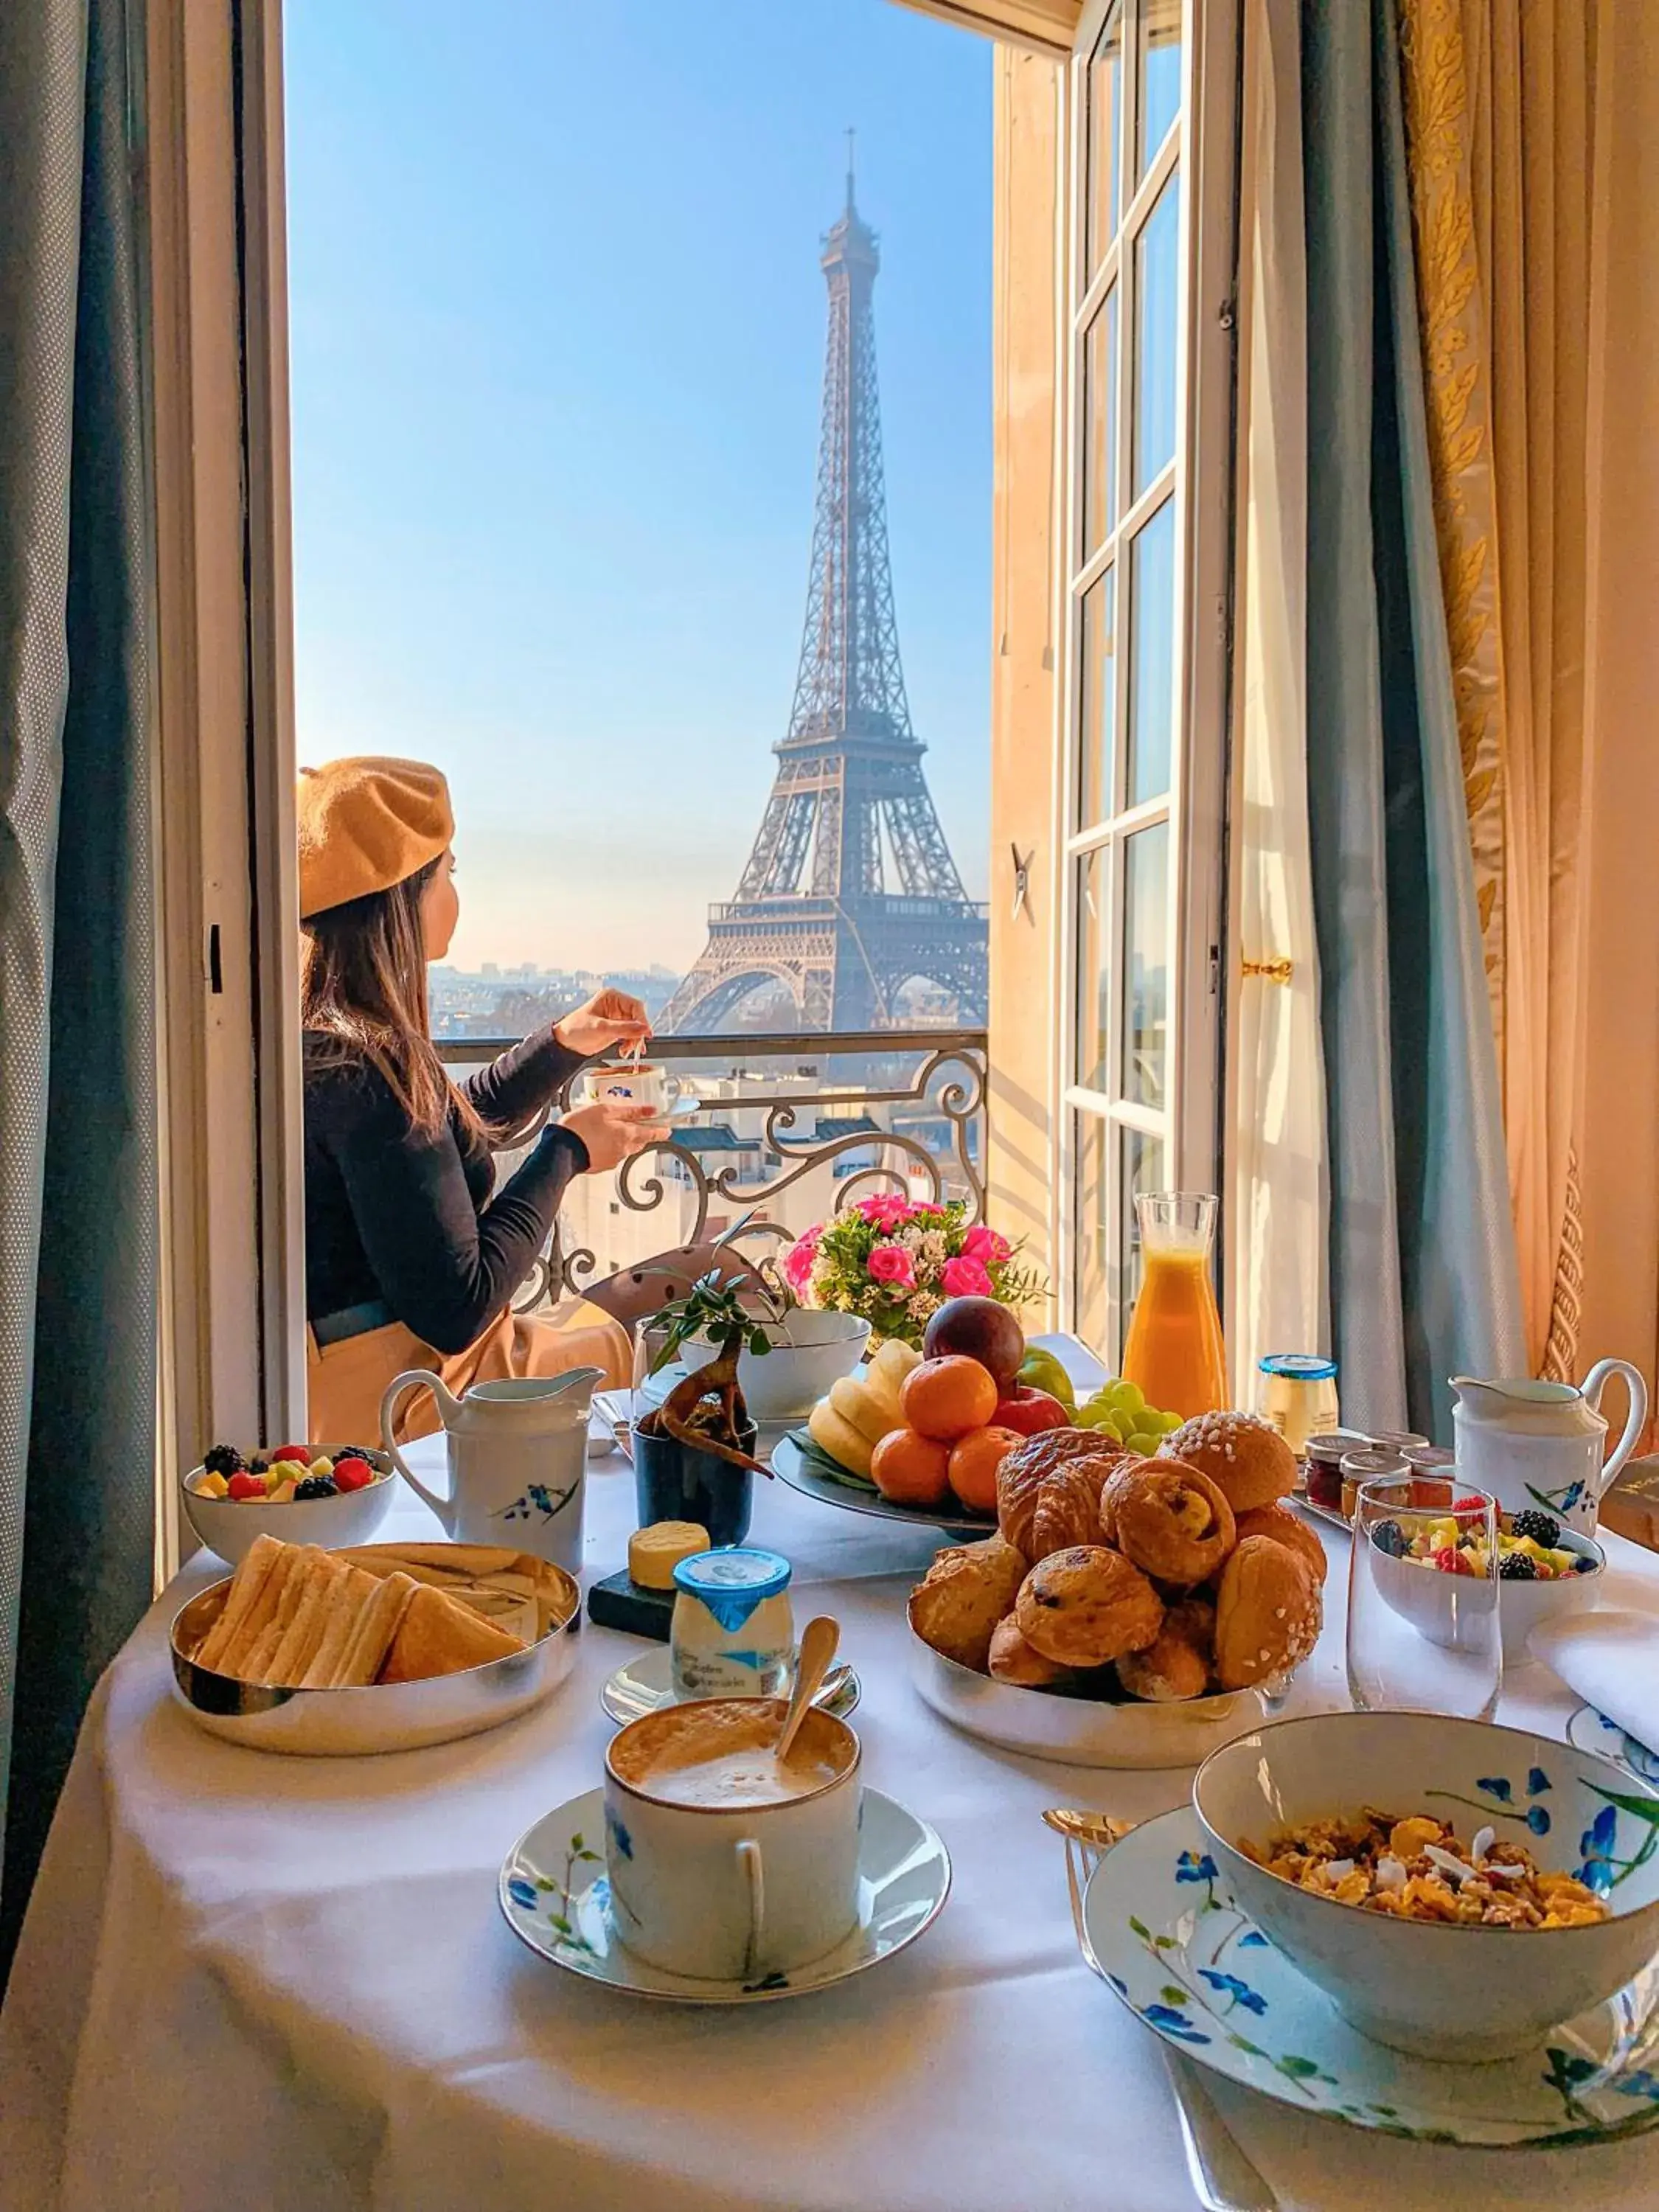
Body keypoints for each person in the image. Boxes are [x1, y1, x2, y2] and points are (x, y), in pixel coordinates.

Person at [298, 755, 665, 1442]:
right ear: (407, 898)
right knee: (707, 1291)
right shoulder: (371, 1070)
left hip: (356, 1377)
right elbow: (460, 1307)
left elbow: (430, 1146)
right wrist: (568, 1150)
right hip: (415, 1395)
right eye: (449, 873)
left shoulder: (331, 1044)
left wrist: (562, 1044)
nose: (456, 894)